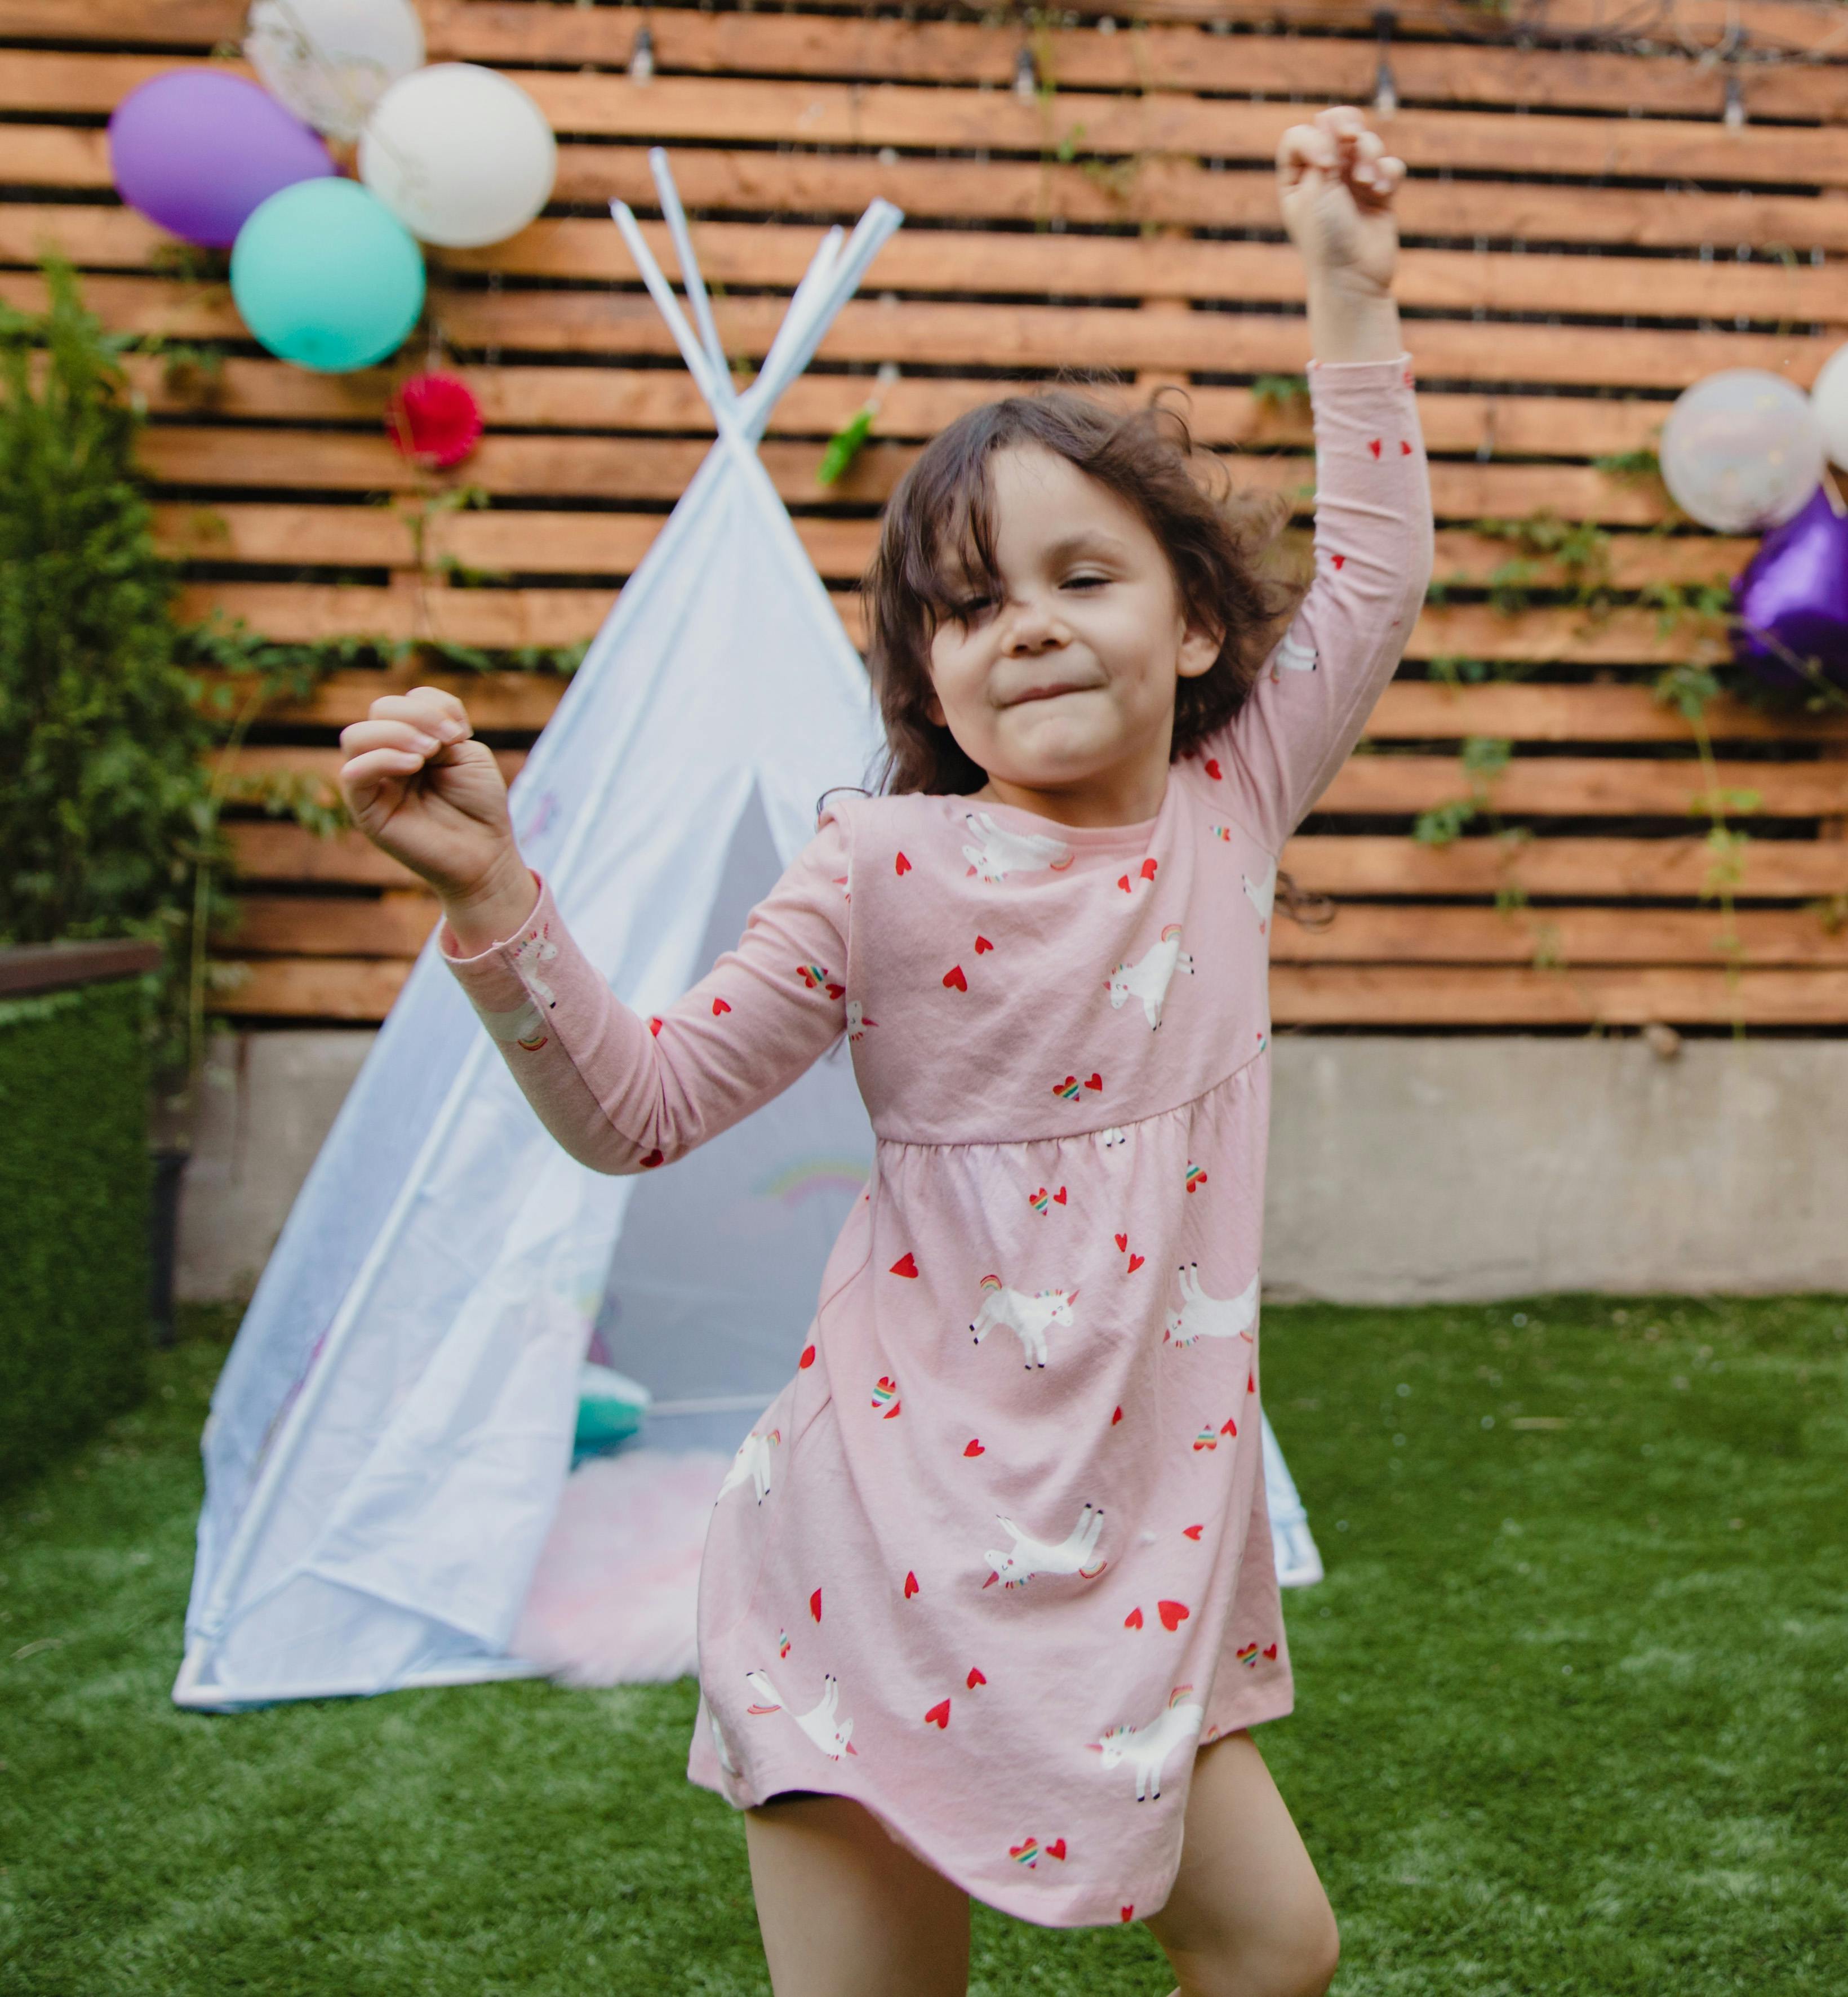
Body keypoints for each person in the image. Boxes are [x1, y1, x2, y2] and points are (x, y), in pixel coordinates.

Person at [334, 109, 1428, 1997]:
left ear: (1192, 625)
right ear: (921, 676)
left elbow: (1383, 569)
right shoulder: (879, 867)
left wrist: (1346, 286)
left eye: (1084, 577)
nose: (1026, 628)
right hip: (873, 1552)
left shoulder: (1230, 805)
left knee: (1275, 1949)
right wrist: (496, 890)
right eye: (967, 603)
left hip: (1138, 1539)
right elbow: (640, 1106)